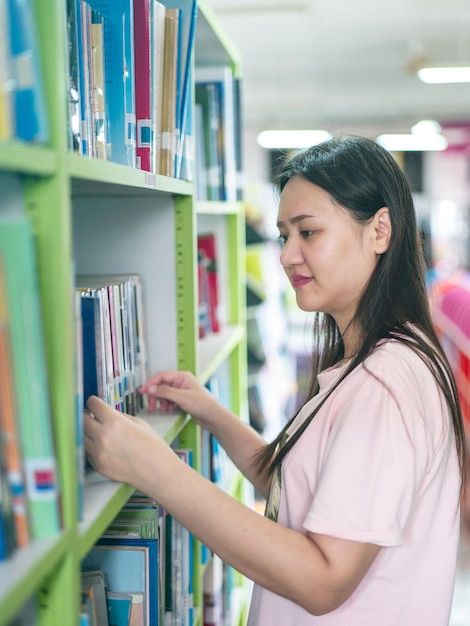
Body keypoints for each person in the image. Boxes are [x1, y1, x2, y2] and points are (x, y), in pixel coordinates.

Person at [84, 135, 466, 625]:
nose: (286, 256)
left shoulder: (384, 386)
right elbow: (300, 491)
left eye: (308, 233)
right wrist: (211, 413)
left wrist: (156, 471)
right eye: (285, 236)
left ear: (380, 231)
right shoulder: (374, 359)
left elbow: (323, 580)